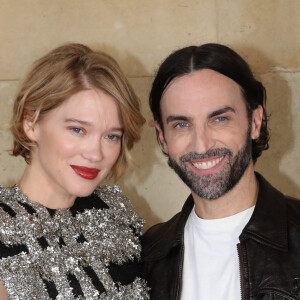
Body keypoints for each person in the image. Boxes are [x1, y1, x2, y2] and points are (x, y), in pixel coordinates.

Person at [141, 43, 300, 300]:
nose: (201, 145)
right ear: (163, 137)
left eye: (219, 119)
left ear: (255, 122)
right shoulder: (146, 256)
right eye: (181, 124)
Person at [0, 43, 149, 299]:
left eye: (111, 136)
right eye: (78, 129)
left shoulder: (117, 212)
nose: (95, 154)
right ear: (31, 123)